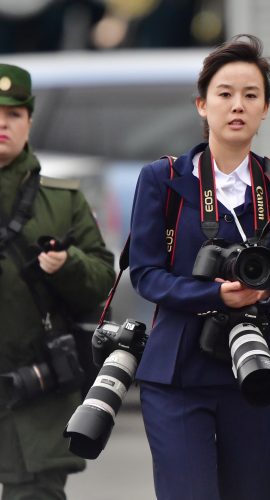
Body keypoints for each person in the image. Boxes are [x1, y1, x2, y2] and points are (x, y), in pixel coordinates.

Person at [129, 35, 270, 500]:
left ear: (265, 109)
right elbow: (146, 273)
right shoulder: (163, 177)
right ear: (202, 104)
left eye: (251, 95)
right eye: (225, 94)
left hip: (258, 365)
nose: (237, 105)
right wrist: (214, 295)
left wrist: (266, 293)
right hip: (177, 368)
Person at [0, 63, 115, 499]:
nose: (2, 124)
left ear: (29, 120)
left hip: (36, 388)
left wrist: (66, 265)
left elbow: (104, 279)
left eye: (13, 114)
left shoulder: (62, 199)